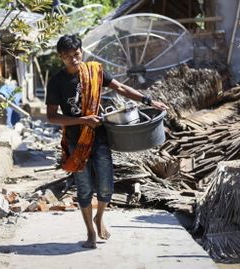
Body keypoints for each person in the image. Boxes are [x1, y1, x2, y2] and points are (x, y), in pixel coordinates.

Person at [46, 34, 167, 249]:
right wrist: (82, 120)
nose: (73, 60)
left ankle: (99, 217)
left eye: (76, 54)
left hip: (100, 138)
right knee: (84, 189)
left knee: (106, 186)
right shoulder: (57, 82)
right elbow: (52, 117)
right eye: (67, 57)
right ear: (60, 57)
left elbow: (120, 88)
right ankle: (90, 233)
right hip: (76, 142)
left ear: (81, 52)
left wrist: (149, 100)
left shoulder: (95, 71)